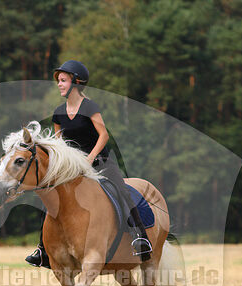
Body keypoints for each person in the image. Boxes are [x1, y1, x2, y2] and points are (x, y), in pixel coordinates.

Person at [25, 60, 153, 268]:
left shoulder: (90, 107)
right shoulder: (58, 112)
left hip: (100, 162)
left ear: (76, 82)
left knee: (121, 190)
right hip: (73, 168)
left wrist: (90, 158)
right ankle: (42, 249)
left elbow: (103, 136)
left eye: (63, 80)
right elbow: (60, 143)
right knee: (51, 198)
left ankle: (141, 237)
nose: (59, 84)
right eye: (58, 80)